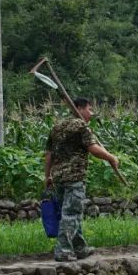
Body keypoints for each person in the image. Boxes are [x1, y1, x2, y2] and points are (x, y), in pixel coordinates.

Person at [44, 98, 120, 262]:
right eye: (89, 109)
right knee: (71, 214)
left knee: (74, 213)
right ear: (79, 108)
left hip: (59, 177)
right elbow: (93, 149)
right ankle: (63, 250)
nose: (91, 113)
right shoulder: (81, 127)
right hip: (75, 177)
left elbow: (49, 154)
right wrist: (111, 158)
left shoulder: (57, 127)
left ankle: (79, 247)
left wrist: (48, 175)